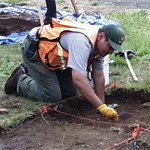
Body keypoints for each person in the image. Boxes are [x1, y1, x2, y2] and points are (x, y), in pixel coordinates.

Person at [4, 17, 125, 120]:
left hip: (56, 60)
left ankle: (37, 75)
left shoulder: (99, 46)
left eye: (113, 49)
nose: (110, 51)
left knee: (70, 94)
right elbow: (78, 79)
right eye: (110, 46)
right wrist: (101, 107)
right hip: (36, 52)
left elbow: (98, 75)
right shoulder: (82, 42)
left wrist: (102, 104)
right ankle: (20, 80)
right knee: (52, 96)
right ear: (101, 36)